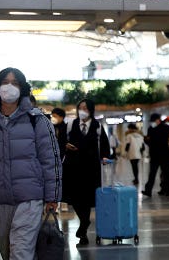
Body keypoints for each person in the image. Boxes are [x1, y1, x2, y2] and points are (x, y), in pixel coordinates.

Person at [0, 67, 62, 260]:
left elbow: (51, 161)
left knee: (21, 252)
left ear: (22, 88)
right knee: (8, 252)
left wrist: (52, 196)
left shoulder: (37, 120)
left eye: (15, 83)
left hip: (30, 199)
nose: (9, 87)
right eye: (5, 82)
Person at [63, 98, 111, 246]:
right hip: (73, 167)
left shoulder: (97, 126)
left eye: (85, 108)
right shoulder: (71, 124)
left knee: (87, 198)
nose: (82, 110)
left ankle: (83, 230)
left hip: (91, 168)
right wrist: (66, 146)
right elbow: (61, 141)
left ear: (91, 110)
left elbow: (104, 144)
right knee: (76, 198)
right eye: (80, 108)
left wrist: (104, 157)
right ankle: (85, 222)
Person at [143, 113, 169, 197]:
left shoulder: (167, 128)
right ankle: (148, 190)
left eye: (153, 121)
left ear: (158, 120)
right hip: (155, 155)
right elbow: (149, 142)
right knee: (152, 174)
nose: (152, 123)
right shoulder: (151, 129)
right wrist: (146, 140)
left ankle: (167, 190)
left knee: (166, 174)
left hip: (165, 155)